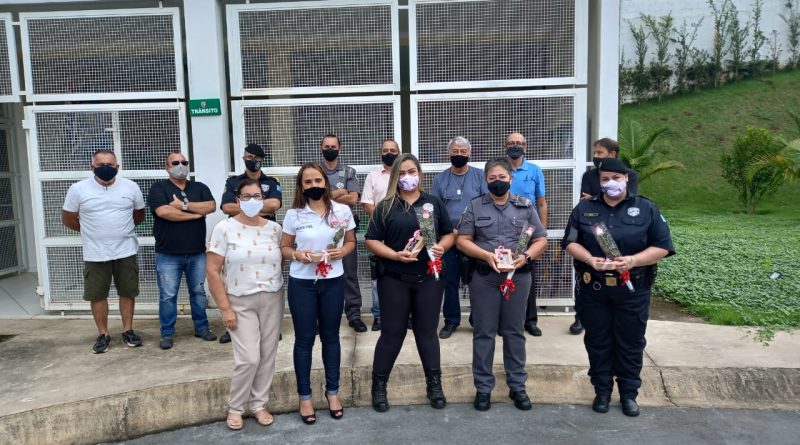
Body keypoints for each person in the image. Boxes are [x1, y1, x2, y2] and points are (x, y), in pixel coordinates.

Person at [562, 158, 674, 417]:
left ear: (626, 179)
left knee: (631, 342)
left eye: (615, 177)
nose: (610, 183)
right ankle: (602, 391)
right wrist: (590, 259)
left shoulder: (645, 208)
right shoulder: (585, 209)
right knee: (598, 340)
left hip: (633, 287)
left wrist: (633, 260)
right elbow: (570, 242)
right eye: (604, 179)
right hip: (595, 288)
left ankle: (628, 393)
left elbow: (662, 246)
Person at [456, 157, 548, 411]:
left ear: (511, 179)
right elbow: (463, 240)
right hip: (485, 277)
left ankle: (517, 386)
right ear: (486, 180)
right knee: (484, 333)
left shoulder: (525, 206)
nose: (498, 182)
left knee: (514, 332)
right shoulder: (475, 206)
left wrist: (527, 256)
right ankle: (483, 389)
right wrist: (484, 255)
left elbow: (541, 239)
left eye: (502, 178)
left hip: (517, 278)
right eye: (492, 178)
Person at [365, 154, 455, 413]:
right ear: (395, 177)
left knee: (427, 333)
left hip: (428, 277)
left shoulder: (433, 203)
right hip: (394, 278)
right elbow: (371, 240)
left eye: (412, 171)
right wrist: (394, 255)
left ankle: (434, 385)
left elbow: (449, 233)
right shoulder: (386, 206)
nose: (407, 177)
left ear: (420, 173)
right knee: (392, 333)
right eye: (402, 172)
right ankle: (379, 387)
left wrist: (441, 247)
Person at [280, 163, 356, 424]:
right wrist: (297, 255)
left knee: (331, 337)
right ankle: (304, 397)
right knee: (303, 341)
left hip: (332, 281)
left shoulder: (342, 211)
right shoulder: (294, 214)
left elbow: (350, 242)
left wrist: (342, 253)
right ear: (301, 187)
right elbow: (285, 247)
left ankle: (332, 392)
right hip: (302, 283)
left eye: (317, 181)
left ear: (326, 182)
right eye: (308, 182)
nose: (314, 186)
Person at [206, 178, 284, 430]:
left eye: (257, 196)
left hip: (272, 297)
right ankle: (236, 407)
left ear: (265, 201)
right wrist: (225, 308)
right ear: (237, 200)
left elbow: (279, 261)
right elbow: (213, 271)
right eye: (247, 197)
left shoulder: (275, 229)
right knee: (248, 357)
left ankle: (259, 404)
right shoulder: (224, 228)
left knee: (267, 355)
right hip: (239, 300)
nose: (253, 201)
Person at [61, 149, 145, 354]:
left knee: (127, 292)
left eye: (110, 165)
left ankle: (128, 330)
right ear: (92, 167)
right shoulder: (78, 189)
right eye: (101, 165)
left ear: (118, 167)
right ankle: (103, 334)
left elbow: (139, 215)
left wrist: (119, 230)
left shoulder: (131, 187)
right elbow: (69, 219)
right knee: (97, 295)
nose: (106, 168)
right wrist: (93, 231)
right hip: (95, 253)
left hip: (125, 250)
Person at [569, 137, 641, 336]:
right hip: (592, 229)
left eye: (599, 153)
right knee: (584, 277)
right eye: (595, 153)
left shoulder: (630, 175)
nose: (595, 156)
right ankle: (579, 318)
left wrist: (596, 198)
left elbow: (627, 199)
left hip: (621, 231)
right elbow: (586, 201)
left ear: (612, 154)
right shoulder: (589, 175)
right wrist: (596, 200)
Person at [148, 153, 217, 349]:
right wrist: (195, 215)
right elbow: (164, 212)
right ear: (167, 167)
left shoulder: (200, 187)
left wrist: (183, 206)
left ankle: (202, 328)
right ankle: (167, 333)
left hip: (196, 252)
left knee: (198, 292)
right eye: (175, 163)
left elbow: (211, 206)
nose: (181, 166)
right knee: (168, 295)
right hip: (168, 253)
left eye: (184, 162)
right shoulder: (159, 188)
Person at [218, 143, 282, 344]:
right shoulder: (234, 182)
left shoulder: (271, 182)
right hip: (239, 235)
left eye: (256, 157)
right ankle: (234, 326)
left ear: (262, 159)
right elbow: (226, 207)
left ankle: (270, 327)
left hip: (266, 236)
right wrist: (256, 208)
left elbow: (275, 204)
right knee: (237, 279)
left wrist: (248, 205)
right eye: (248, 156)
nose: (252, 160)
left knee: (268, 277)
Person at [430, 136, 487, 339]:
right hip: (449, 238)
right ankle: (451, 320)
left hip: (475, 237)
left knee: (477, 280)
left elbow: (486, 204)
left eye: (463, 152)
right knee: (450, 280)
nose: (459, 155)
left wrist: (467, 231)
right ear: (449, 153)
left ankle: (477, 319)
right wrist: (451, 233)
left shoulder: (480, 176)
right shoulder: (440, 179)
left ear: (469, 153)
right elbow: (434, 210)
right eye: (455, 151)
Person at [320, 134, 367, 333]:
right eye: (326, 146)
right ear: (321, 148)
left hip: (345, 229)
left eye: (333, 146)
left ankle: (354, 315)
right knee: (320, 271)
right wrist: (339, 193)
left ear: (340, 149)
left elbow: (354, 198)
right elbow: (312, 199)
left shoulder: (349, 171)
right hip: (319, 230)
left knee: (349, 273)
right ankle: (320, 317)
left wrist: (328, 195)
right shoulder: (314, 171)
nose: (330, 149)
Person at [505, 132, 548, 337]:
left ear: (525, 146)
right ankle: (504, 321)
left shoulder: (535, 171)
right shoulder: (500, 169)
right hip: (503, 230)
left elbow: (541, 202)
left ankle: (530, 320)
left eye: (519, 143)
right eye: (511, 143)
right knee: (503, 273)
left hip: (529, 230)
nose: (515, 146)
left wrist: (542, 233)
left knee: (529, 277)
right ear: (505, 147)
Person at [361, 139, 400, 331]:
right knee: (378, 276)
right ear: (380, 153)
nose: (389, 153)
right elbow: (367, 203)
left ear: (399, 152)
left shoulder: (405, 174)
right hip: (380, 230)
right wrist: (385, 219)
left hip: (403, 232)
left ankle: (406, 315)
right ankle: (378, 315)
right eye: (385, 150)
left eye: (393, 150)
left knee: (405, 274)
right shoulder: (373, 176)